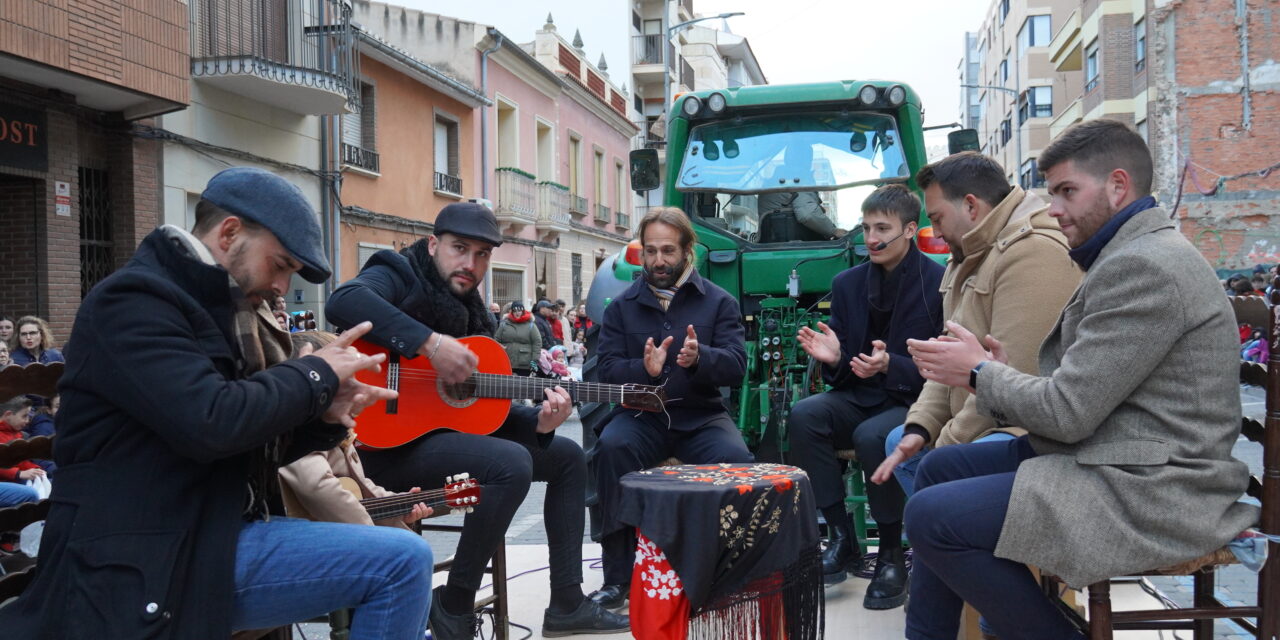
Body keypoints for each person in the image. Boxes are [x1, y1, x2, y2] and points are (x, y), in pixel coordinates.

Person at [0, 166, 433, 640]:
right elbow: (212, 423)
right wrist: (315, 373)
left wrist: (324, 420)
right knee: (402, 563)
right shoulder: (132, 301)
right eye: (281, 265)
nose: (282, 288)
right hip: (138, 559)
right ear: (230, 233)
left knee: (402, 557)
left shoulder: (213, 308)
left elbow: (243, 444)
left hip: (206, 535)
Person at [900, 119, 1259, 640]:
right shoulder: (1127, 254)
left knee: (933, 516)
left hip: (1158, 487)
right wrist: (990, 371)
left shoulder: (1146, 267)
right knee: (938, 470)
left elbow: (1068, 415)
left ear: (1118, 186)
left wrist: (979, 372)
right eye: (1051, 194)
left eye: (1067, 192)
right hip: (1118, 453)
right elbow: (1083, 393)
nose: (1054, 209)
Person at [326, 202, 628, 639]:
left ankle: (566, 603)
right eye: (459, 248)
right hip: (379, 447)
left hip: (441, 442)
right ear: (433, 245)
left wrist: (543, 424)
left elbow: (488, 413)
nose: (470, 263)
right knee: (508, 465)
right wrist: (429, 345)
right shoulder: (399, 270)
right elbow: (344, 301)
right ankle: (454, 603)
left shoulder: (473, 314)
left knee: (565, 455)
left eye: (482, 254)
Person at [873, 152, 1081, 498]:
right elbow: (948, 363)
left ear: (971, 206)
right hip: (983, 419)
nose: (935, 232)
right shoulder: (969, 255)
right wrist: (921, 427)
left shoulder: (1032, 254)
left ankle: (965, 543)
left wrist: (944, 445)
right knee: (900, 440)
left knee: (939, 470)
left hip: (1021, 430)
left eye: (937, 218)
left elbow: (1013, 384)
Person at [784, 184, 944, 607]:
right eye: (866, 227)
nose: (871, 238)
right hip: (861, 394)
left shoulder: (939, 283)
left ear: (911, 229)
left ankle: (891, 552)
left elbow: (943, 368)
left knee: (874, 436)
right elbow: (841, 370)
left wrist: (891, 365)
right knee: (804, 415)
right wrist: (833, 359)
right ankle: (841, 537)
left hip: (917, 400)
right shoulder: (848, 283)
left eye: (882, 228)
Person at [589, 206, 755, 611]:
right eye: (649, 251)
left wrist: (701, 359)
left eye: (667, 250)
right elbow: (605, 372)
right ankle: (618, 577)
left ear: (687, 251)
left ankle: (728, 568)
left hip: (701, 416)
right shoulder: (621, 307)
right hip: (640, 417)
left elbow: (736, 367)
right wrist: (642, 370)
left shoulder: (719, 303)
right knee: (611, 449)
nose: (658, 261)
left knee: (736, 460)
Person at [757, 144, 847, 242]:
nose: (809, 162)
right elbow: (807, 214)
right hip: (796, 245)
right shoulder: (796, 180)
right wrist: (833, 231)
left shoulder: (775, 181)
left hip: (771, 244)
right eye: (807, 158)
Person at [0, 395, 42, 508]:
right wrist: (18, 474)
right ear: (8, 415)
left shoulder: (17, 434)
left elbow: (21, 461)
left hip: (9, 479)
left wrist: (36, 470)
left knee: (52, 484)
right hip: (7, 479)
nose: (27, 421)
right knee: (31, 494)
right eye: (24, 416)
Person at [494, 301, 542, 376]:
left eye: (519, 310)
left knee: (523, 386)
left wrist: (534, 363)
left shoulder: (531, 325)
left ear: (523, 311)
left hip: (524, 364)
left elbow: (537, 343)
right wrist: (500, 347)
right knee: (506, 385)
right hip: (506, 361)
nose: (517, 313)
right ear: (511, 312)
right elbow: (496, 340)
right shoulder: (504, 324)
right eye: (515, 310)